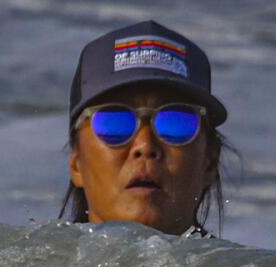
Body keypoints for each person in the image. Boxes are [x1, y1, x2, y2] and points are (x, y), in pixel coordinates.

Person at [62, 19, 229, 236]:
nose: (145, 145)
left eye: (175, 122)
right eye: (115, 123)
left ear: (210, 163)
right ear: (76, 163)